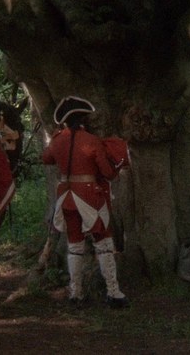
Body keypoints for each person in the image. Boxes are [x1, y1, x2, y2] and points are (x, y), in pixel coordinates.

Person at [41, 96, 129, 308]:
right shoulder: (91, 140)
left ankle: (76, 293)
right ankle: (113, 292)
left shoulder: (57, 140)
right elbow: (108, 173)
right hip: (90, 196)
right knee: (103, 243)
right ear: (82, 119)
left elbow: (46, 158)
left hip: (66, 197)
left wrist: (57, 141)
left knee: (74, 245)